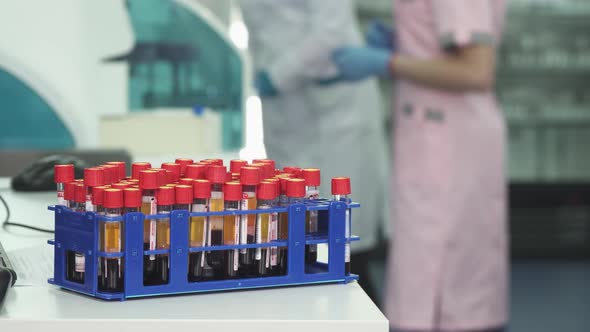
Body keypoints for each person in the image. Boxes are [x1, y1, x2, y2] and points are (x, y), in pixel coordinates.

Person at [330, 1, 508, 331]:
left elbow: (476, 70)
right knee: (425, 283)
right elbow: (447, 41)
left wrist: (391, 62)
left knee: (450, 294)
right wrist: (408, 41)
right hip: (434, 139)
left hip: (451, 147)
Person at [239, 0, 390, 304]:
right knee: (304, 246)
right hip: (291, 113)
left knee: (342, 250)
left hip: (334, 114)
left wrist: (279, 74)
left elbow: (330, 33)